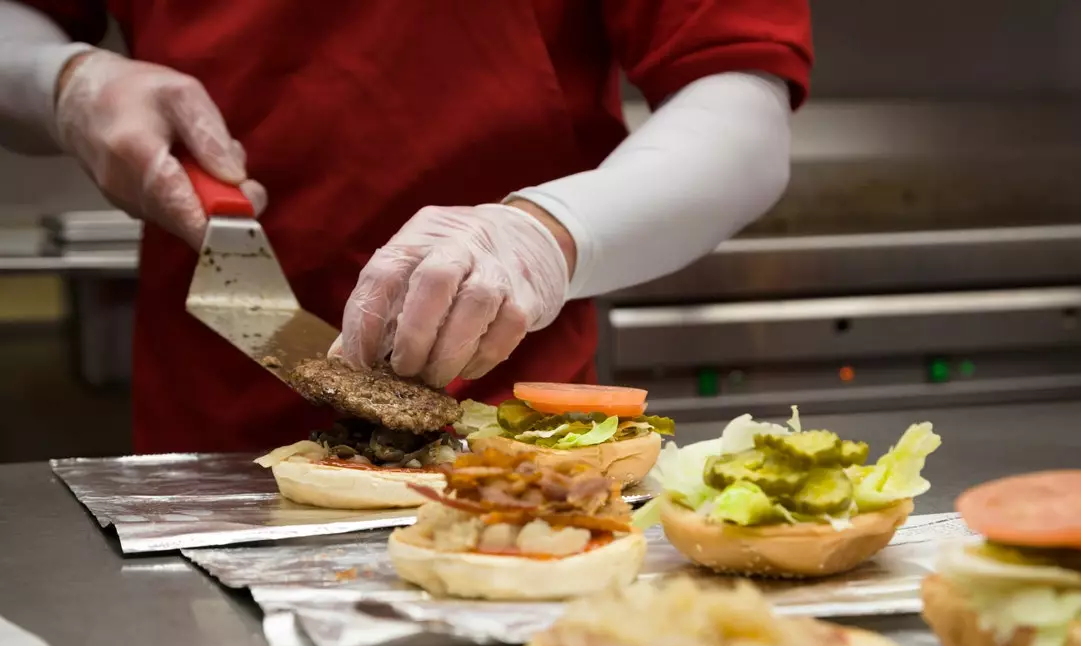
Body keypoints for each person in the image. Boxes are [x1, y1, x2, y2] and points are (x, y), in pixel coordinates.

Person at [0, 1, 812, 454]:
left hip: (511, 425)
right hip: (207, 429)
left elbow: (740, 106)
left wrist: (544, 234)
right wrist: (62, 83)